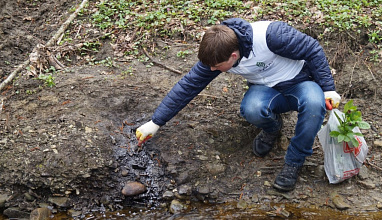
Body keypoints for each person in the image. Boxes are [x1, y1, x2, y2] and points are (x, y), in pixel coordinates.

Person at [135, 18, 341, 192]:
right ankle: (272, 128)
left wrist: (328, 88)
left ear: (233, 56)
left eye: (216, 66)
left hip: (300, 83)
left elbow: (313, 49)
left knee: (315, 105)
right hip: (266, 90)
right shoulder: (218, 53)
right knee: (251, 108)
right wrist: (156, 122)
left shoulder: (272, 36)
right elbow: (188, 86)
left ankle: (294, 161)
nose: (212, 69)